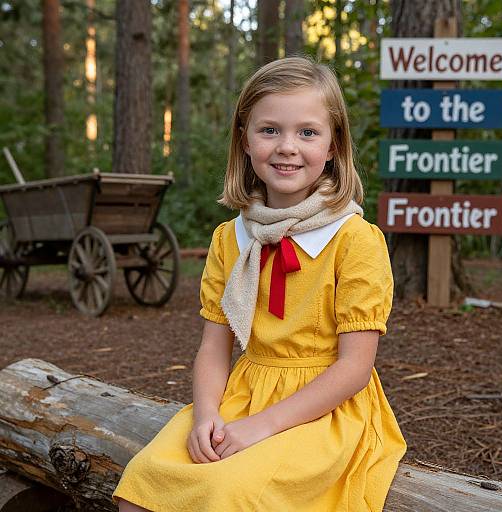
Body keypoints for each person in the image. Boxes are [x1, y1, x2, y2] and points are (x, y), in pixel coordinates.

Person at [113, 56, 407, 512]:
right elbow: (214, 348)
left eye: (308, 132)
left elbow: (354, 369)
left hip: (323, 411)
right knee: (142, 485)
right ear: (245, 141)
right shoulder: (231, 238)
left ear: (333, 146)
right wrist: (208, 414)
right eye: (269, 130)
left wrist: (262, 426)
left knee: (225, 493)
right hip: (243, 396)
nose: (287, 146)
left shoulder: (354, 240)